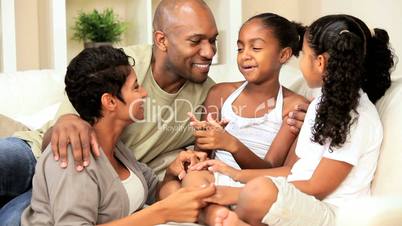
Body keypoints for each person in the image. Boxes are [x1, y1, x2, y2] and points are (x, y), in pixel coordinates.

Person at [0, 0, 307, 224]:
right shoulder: (125, 63)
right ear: (162, 40)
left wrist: (295, 121)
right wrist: (66, 121)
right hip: (39, 152)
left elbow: (238, 131)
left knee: (16, 219)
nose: (210, 52)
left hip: (99, 184)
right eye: (196, 41)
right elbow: (74, 113)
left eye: (213, 40)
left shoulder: (211, 93)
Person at [192, 14, 395, 226]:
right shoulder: (320, 104)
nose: (300, 63)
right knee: (204, 181)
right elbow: (293, 171)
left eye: (304, 54)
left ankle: (227, 217)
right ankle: (228, 217)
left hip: (328, 211)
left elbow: (317, 187)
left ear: (319, 62)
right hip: (300, 197)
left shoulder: (356, 117)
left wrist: (237, 192)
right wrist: (233, 173)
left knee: (258, 192)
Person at [21, 46, 216, 225]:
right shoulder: (74, 159)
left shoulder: (117, 149)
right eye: (136, 87)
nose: (145, 93)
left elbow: (153, 193)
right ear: (110, 102)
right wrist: (162, 212)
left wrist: (172, 173)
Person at [162, 13, 308, 225]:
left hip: (256, 185)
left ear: (283, 55)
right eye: (240, 48)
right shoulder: (219, 93)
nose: (245, 55)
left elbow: (272, 167)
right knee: (192, 179)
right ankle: (215, 215)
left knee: (174, 192)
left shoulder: (292, 106)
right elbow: (203, 156)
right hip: (213, 179)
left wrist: (231, 145)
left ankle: (212, 214)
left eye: (255, 48)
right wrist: (202, 146)